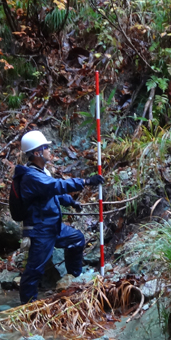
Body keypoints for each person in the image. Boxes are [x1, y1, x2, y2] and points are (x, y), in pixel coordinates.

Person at [13, 130, 102, 304]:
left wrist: (70, 201)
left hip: (53, 227)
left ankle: (74, 280)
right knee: (34, 270)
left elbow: (52, 192)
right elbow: (55, 185)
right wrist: (85, 182)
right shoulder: (31, 176)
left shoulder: (41, 172)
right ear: (37, 152)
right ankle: (26, 308)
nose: (49, 150)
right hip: (40, 230)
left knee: (77, 239)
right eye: (46, 147)